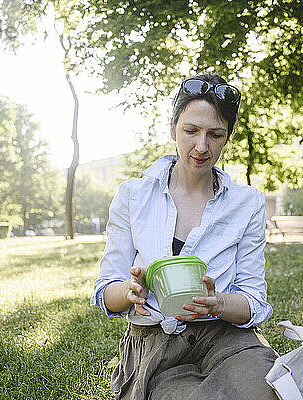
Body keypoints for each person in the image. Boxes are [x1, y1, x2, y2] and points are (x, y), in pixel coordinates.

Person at [90, 72, 279, 400]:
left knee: (266, 390)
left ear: (228, 137)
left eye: (215, 135)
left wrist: (218, 303)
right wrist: (132, 290)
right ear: (173, 127)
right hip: (157, 345)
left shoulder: (247, 203)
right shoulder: (133, 196)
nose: (201, 146)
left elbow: (254, 301)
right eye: (190, 131)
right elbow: (105, 292)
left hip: (226, 338)